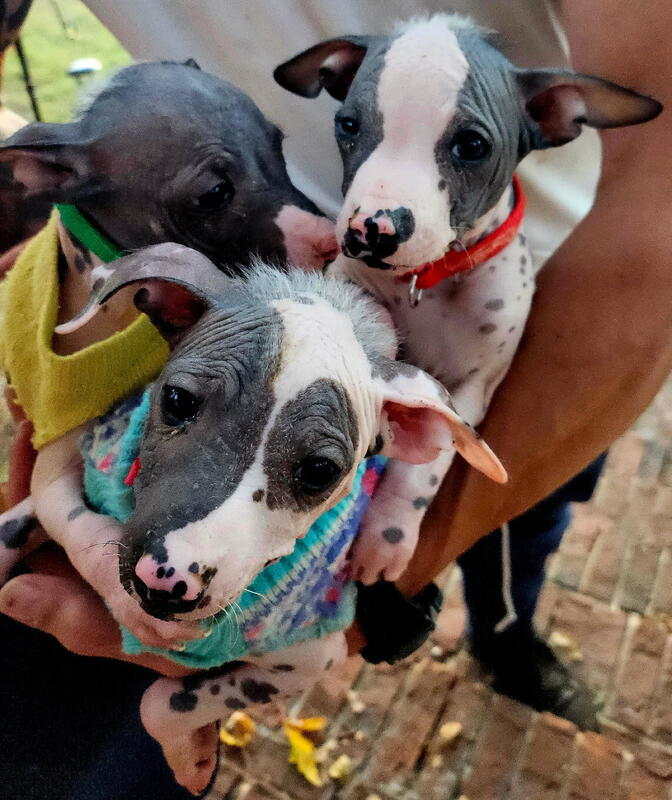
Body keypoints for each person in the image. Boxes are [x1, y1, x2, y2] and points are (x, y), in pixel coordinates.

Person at [0, 0, 670, 797]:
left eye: (467, 143)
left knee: (523, 528)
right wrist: (71, 243)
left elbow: (657, 202)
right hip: (253, 312)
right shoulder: (322, 249)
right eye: (355, 128)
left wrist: (391, 574)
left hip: (554, 341)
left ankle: (508, 630)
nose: (373, 218)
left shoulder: (494, 287)